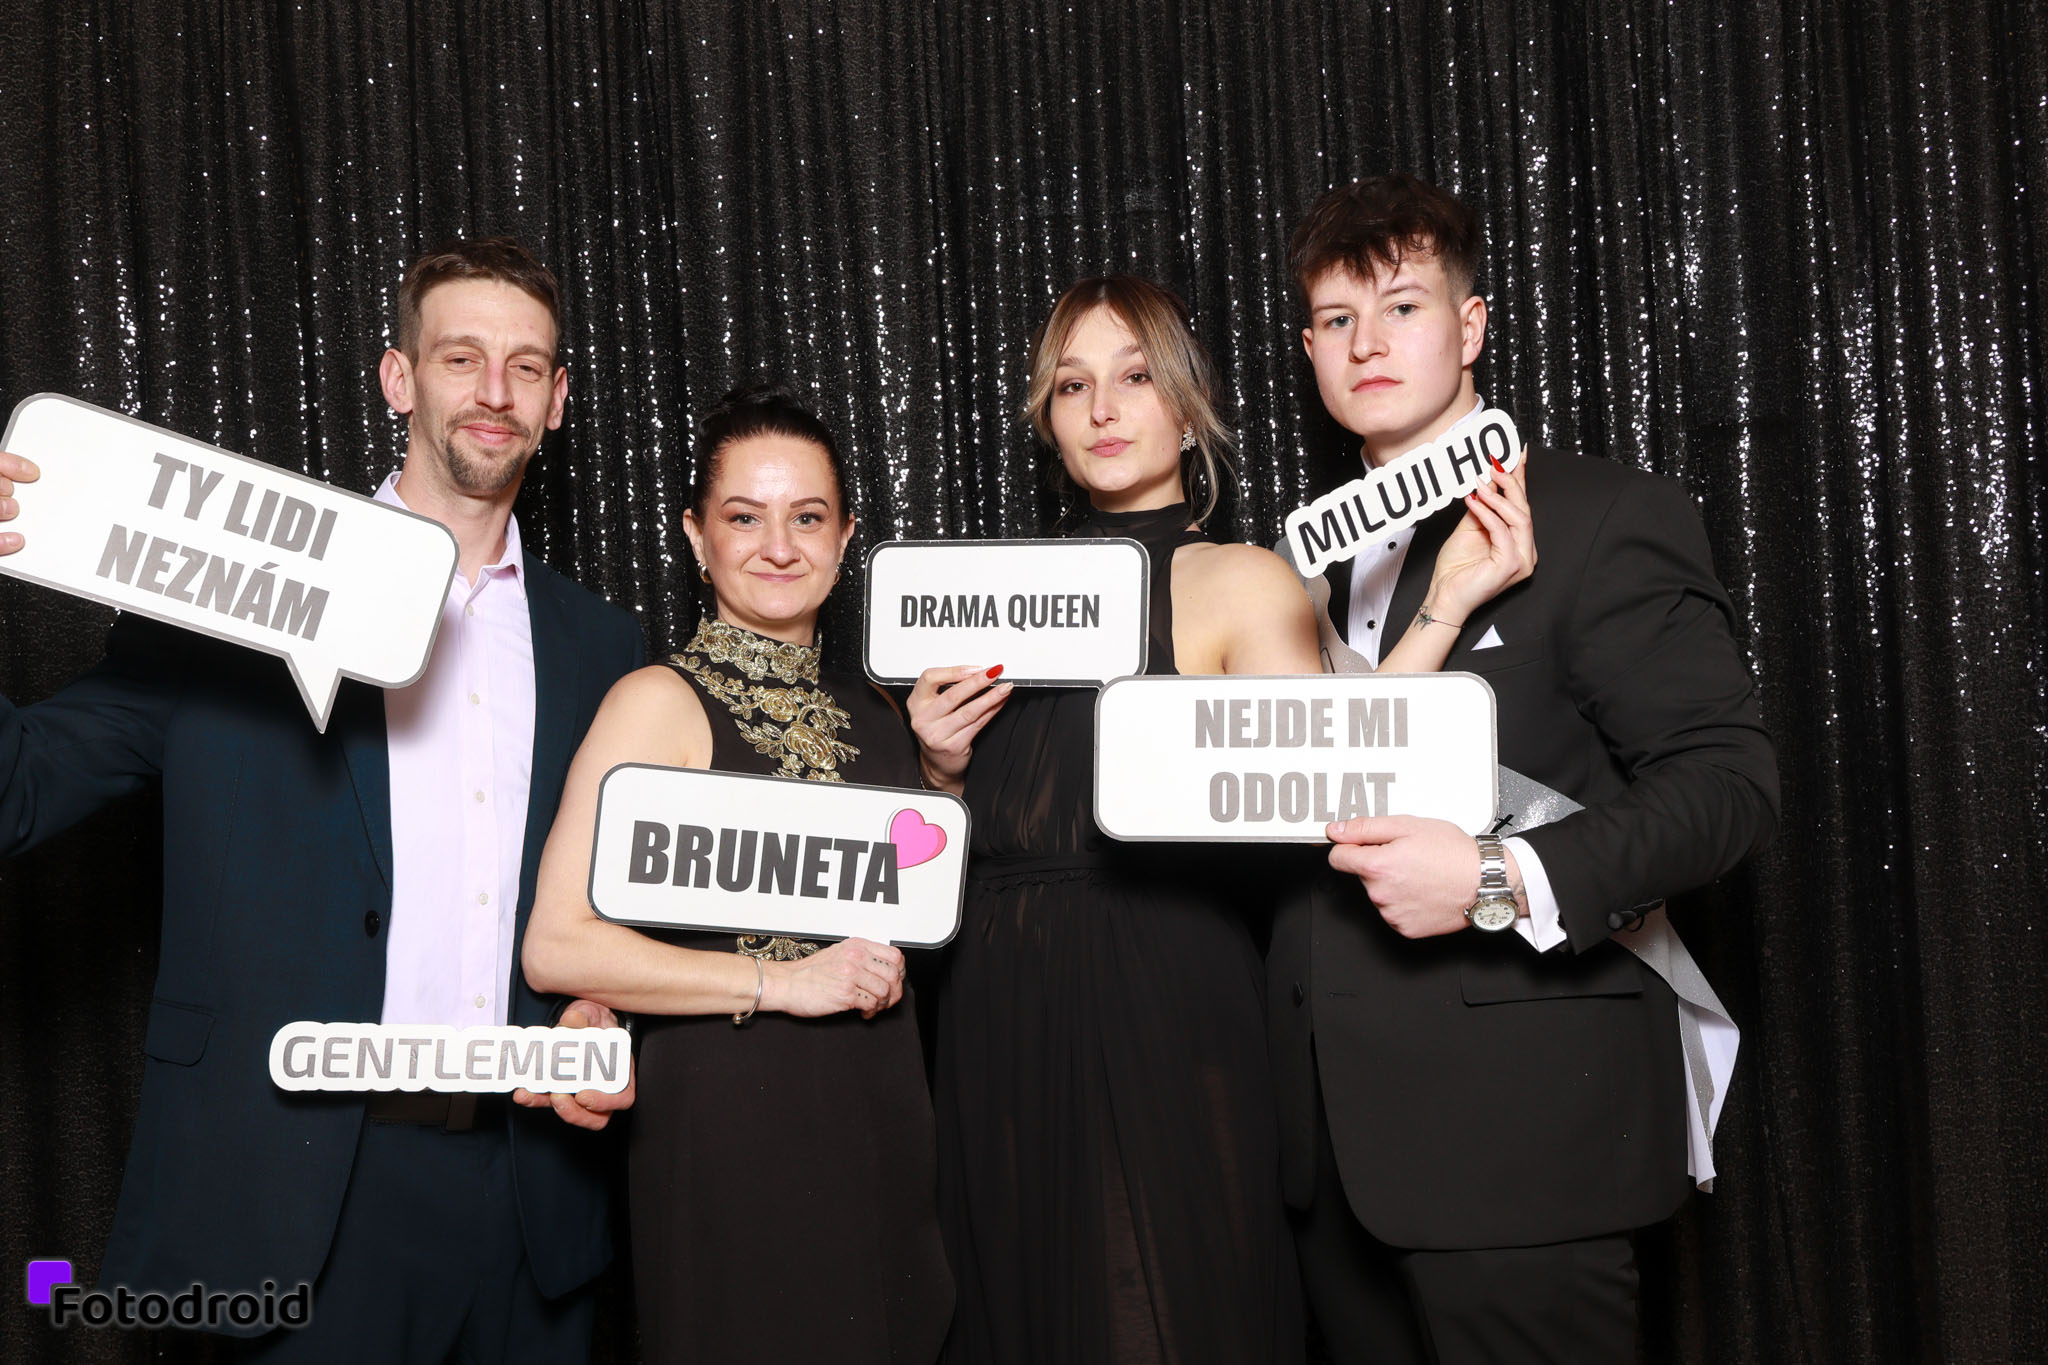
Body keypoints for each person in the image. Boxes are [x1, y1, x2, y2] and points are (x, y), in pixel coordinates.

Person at [0, 237, 644, 1363]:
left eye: (527, 366)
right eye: (461, 357)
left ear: (556, 400)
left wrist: (606, 1008)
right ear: (399, 378)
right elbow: (20, 787)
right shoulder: (226, 595)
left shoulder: (605, 649)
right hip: (291, 1198)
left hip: (530, 1199)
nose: (494, 392)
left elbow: (613, 909)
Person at [906, 275, 1535, 1365]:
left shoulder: (1240, 581)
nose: (1104, 409)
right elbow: (933, 860)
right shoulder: (985, 594)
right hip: (991, 1009)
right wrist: (937, 767)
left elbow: (1341, 778)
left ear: (1188, 409)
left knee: (1157, 1315)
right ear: (1047, 419)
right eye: (1072, 386)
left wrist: (1442, 605)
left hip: (1161, 994)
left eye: (1135, 377)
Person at [1267, 173, 1780, 1364]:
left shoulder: (1596, 514)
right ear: (1308, 350)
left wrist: (1495, 878)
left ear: (1470, 327)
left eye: (1401, 307)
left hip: (1521, 1139)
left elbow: (1725, 786)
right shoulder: (1296, 567)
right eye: (1337, 319)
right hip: (1323, 1152)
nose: (1366, 342)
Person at [520, 384, 955, 1365]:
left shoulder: (882, 711)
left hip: (881, 1116)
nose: (778, 546)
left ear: (846, 538)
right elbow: (556, 946)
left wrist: (944, 775)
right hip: (728, 1130)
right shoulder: (657, 702)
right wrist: (781, 982)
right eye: (744, 517)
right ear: (695, 535)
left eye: (808, 517)